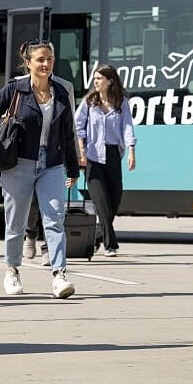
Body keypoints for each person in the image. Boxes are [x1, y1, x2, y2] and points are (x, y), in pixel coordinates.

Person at [0, 39, 79, 299]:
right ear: (29, 63)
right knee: (15, 223)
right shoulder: (16, 89)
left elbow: (68, 133)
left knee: (54, 220)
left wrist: (73, 168)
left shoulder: (62, 91)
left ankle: (59, 275)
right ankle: (12, 270)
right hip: (19, 163)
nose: (46, 64)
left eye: (50, 59)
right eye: (40, 60)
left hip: (52, 165)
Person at [74, 64, 137, 257]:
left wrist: (132, 150)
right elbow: (78, 126)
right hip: (92, 156)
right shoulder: (89, 102)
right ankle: (111, 244)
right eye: (95, 78)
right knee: (101, 201)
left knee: (115, 200)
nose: (96, 82)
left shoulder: (121, 102)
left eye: (100, 78)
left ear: (110, 81)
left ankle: (95, 240)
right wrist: (82, 151)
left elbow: (127, 126)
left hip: (112, 155)